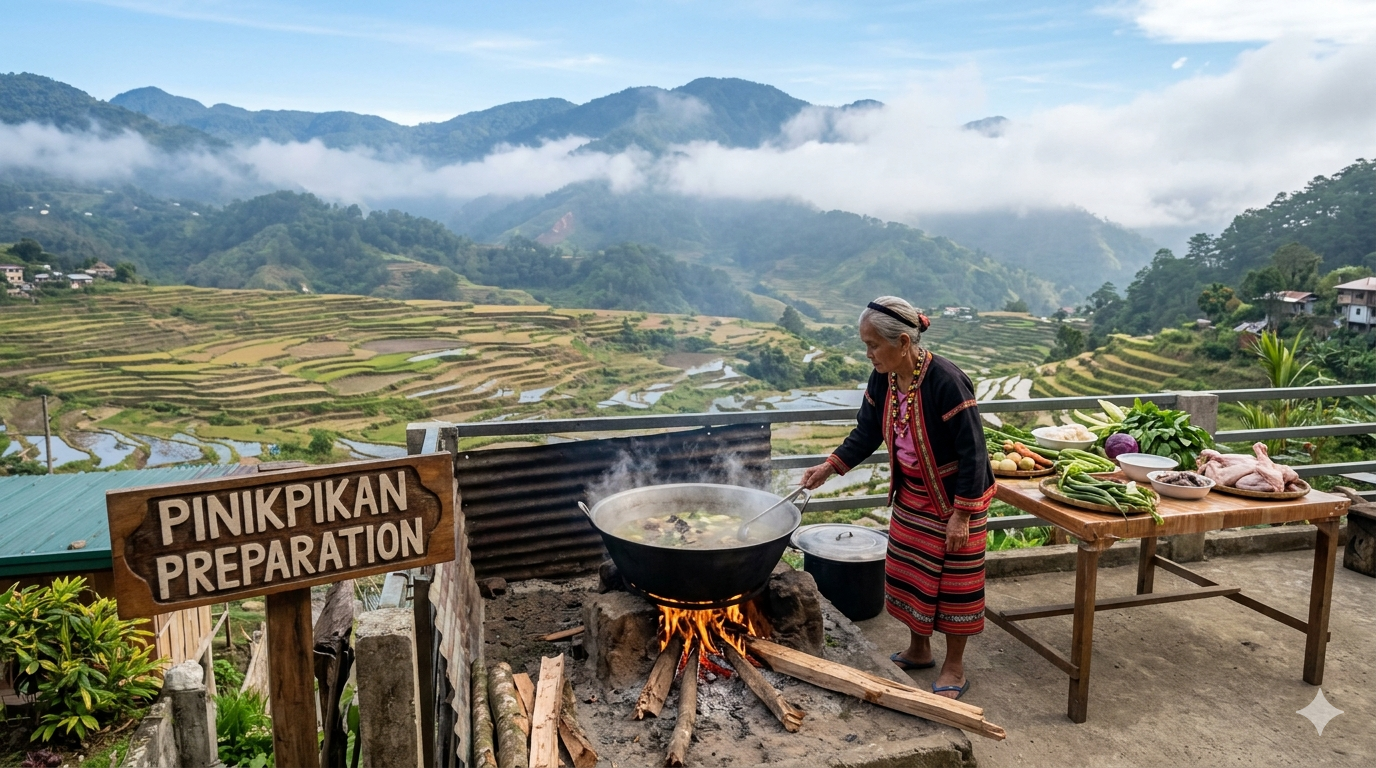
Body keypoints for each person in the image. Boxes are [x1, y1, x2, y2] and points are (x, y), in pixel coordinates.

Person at [801, 296, 994, 700]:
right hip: (911, 494)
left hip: (954, 499)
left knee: (957, 585)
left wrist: (962, 516)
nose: (868, 354)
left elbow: (974, 451)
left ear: (904, 342)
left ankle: (954, 664)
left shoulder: (947, 381)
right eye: (865, 345)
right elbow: (866, 433)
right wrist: (828, 468)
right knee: (909, 574)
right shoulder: (883, 378)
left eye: (873, 345)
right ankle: (919, 649)